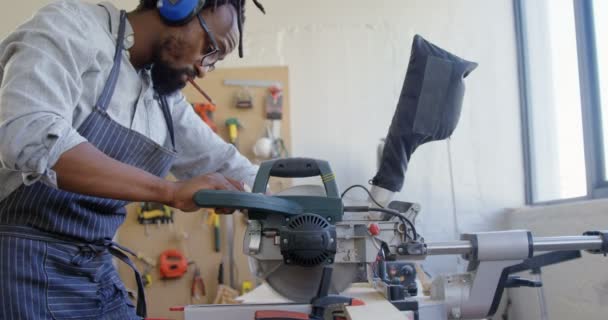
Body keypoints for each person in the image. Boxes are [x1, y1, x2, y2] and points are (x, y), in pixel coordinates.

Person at [0, 0, 264, 318]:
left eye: (214, 61)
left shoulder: (165, 103)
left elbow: (227, 164)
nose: (203, 70)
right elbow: (28, 135)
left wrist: (291, 208)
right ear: (177, 5)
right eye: (210, 48)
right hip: (19, 267)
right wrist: (167, 191)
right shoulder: (72, 27)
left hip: (96, 270)